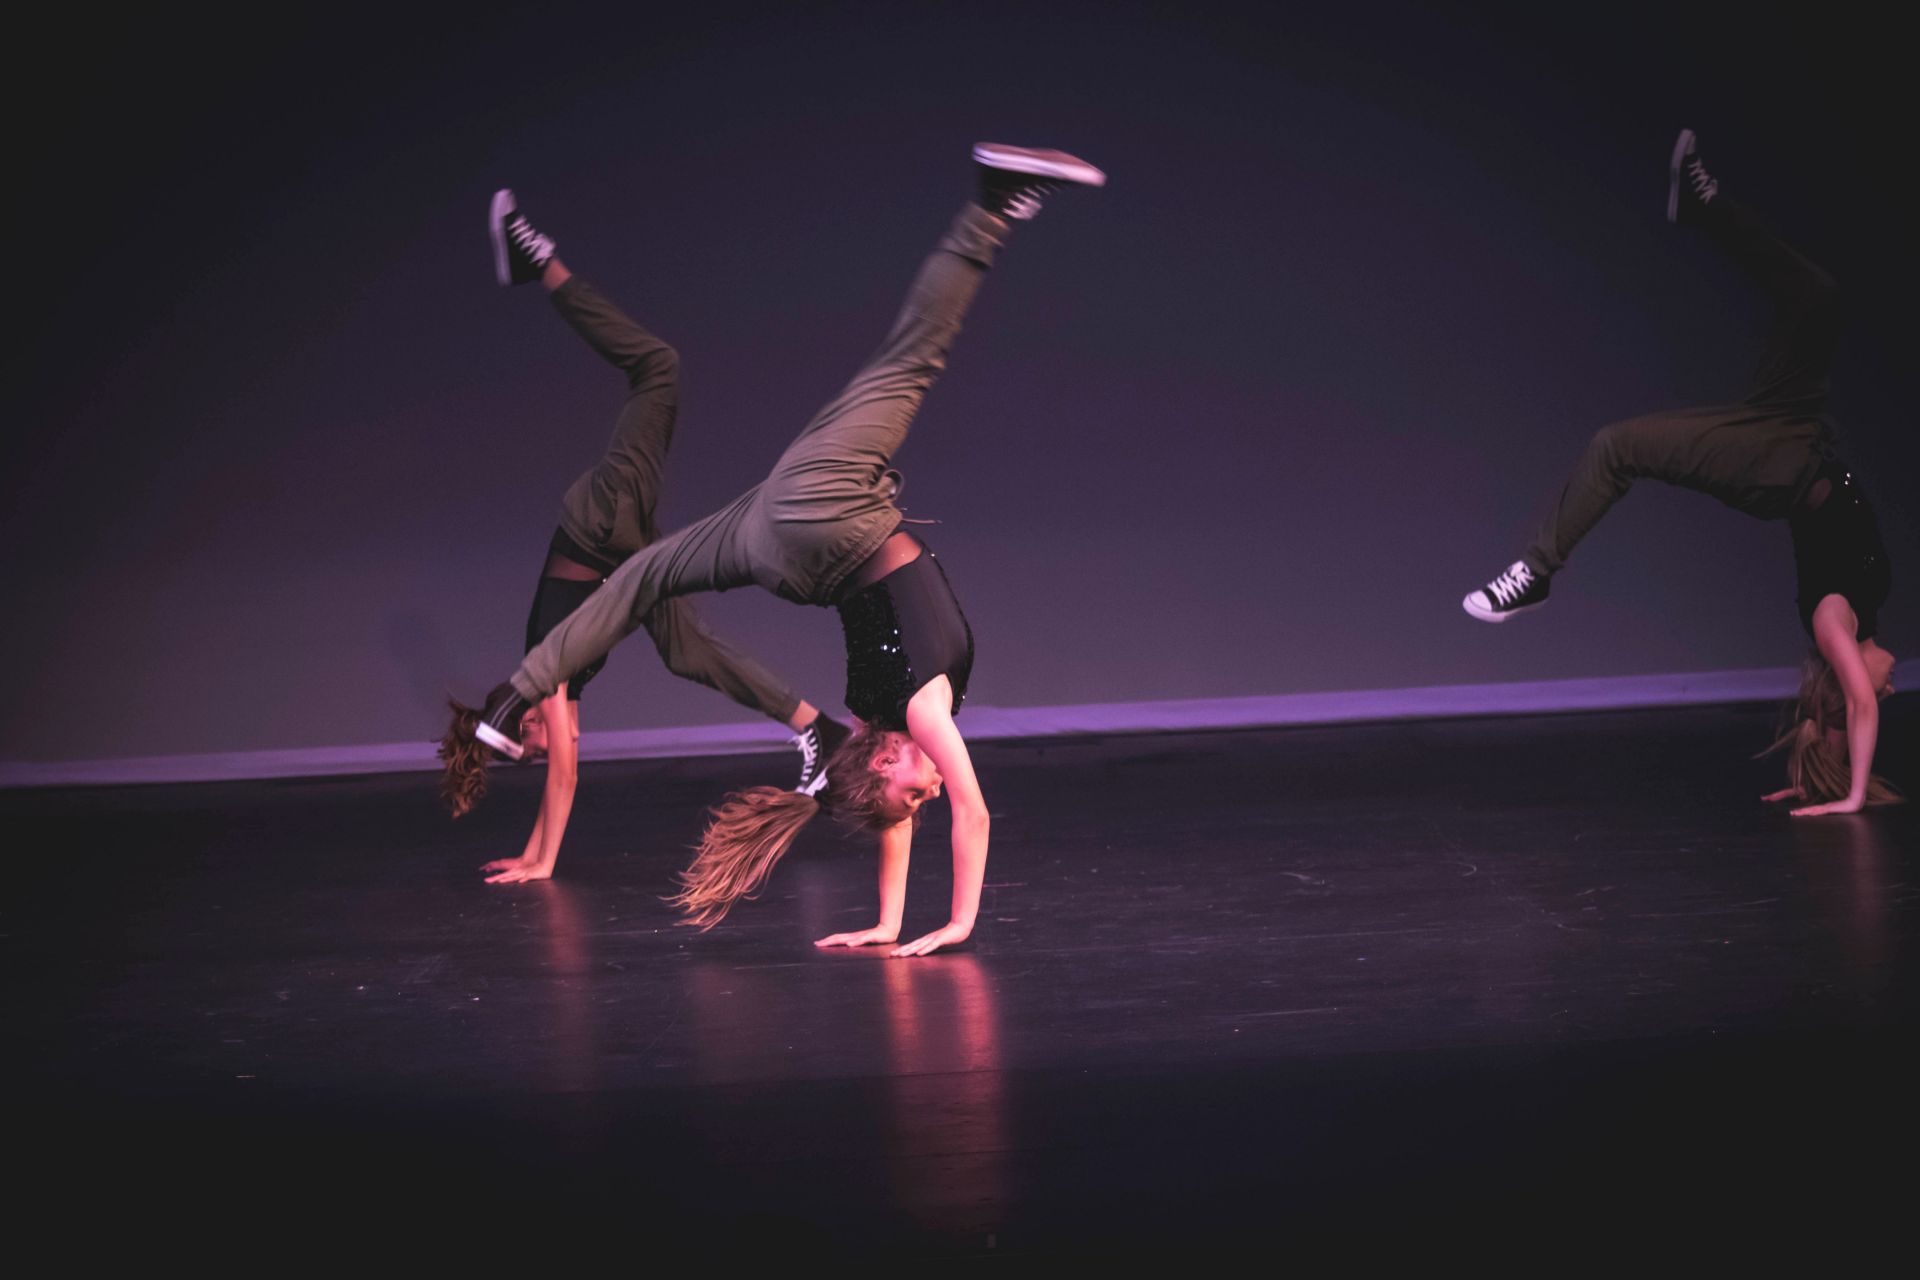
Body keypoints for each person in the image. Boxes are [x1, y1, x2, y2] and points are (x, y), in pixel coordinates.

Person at [449, 142, 1105, 951]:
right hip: (781, 544)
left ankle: (993, 204)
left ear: (882, 758)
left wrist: (957, 923)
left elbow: (971, 812)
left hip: (825, 519)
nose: (928, 796)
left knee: (911, 359)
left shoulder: (914, 718)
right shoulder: (880, 727)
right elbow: (894, 813)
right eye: (917, 799)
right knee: (644, 577)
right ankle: (513, 698)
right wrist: (887, 923)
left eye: (912, 793)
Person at [1462, 130, 1896, 816]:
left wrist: (1850, 798)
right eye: (1883, 691)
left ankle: (1535, 574)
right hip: (1797, 427)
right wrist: (1825, 774)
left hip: (1778, 467)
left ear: (1840, 695)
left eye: (1872, 692)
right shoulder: (1864, 613)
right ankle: (1705, 205)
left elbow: (1859, 705)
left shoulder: (1831, 622)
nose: (1889, 688)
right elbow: (1855, 706)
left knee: (1616, 445)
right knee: (1820, 297)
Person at [438, 192, 853, 884]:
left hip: (604, 518)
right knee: (687, 650)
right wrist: (533, 856)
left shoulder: (546, 673)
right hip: (624, 555)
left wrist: (543, 863)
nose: (552, 745)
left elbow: (565, 775)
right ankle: (819, 729)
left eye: (534, 744)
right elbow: (564, 768)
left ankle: (538, 261)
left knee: (658, 366)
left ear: (526, 721)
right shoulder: (555, 686)